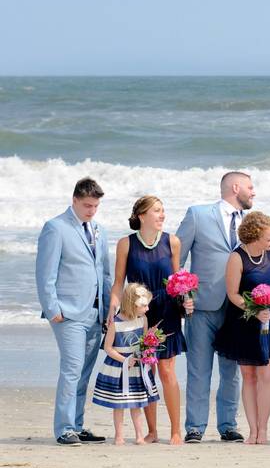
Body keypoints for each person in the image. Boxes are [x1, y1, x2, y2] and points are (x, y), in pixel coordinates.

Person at [176, 171, 270, 443]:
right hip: (204, 305)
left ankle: (228, 425)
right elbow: (177, 257)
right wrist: (184, 297)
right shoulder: (198, 214)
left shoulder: (254, 222)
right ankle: (195, 427)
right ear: (235, 187)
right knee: (199, 368)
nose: (254, 192)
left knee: (233, 371)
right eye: (251, 187)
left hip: (242, 311)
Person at [109, 195, 191, 445]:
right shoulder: (126, 244)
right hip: (138, 314)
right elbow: (118, 283)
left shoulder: (172, 242)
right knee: (145, 371)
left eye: (163, 210)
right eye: (157, 210)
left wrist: (187, 300)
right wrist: (112, 313)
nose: (162, 214)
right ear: (142, 215)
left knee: (167, 370)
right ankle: (153, 431)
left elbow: (179, 282)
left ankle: (176, 430)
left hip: (167, 311)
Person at [35, 177, 111, 446]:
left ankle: (77, 424)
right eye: (87, 205)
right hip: (67, 313)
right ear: (75, 200)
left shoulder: (99, 229)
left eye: (95, 206)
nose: (91, 210)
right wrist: (52, 308)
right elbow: (45, 273)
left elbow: (105, 273)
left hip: (95, 312)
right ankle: (64, 427)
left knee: (84, 372)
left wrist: (107, 311)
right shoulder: (56, 228)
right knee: (72, 368)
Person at [214, 212, 270, 445]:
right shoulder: (237, 257)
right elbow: (232, 293)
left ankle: (263, 430)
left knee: (266, 374)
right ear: (254, 236)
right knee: (249, 376)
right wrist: (254, 309)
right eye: (267, 238)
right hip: (245, 319)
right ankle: (252, 429)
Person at [92, 283, 159, 445]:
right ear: (132, 304)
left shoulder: (142, 320)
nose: (147, 308)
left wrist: (147, 353)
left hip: (137, 367)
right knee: (119, 404)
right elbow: (108, 347)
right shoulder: (115, 323)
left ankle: (139, 436)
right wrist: (124, 360)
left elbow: (144, 342)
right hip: (119, 367)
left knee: (137, 403)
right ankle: (119, 436)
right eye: (143, 305)